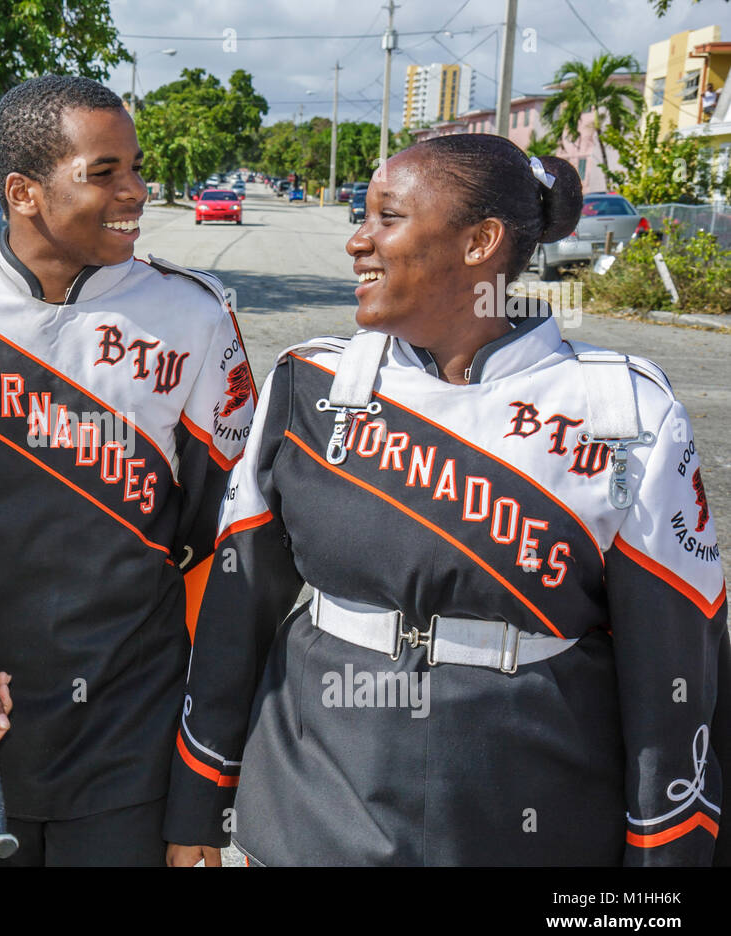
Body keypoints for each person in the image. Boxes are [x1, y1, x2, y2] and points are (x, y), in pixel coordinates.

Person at [164, 134, 728, 866]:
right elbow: (236, 619)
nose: (357, 243)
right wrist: (199, 804)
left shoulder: (622, 409)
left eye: (386, 218)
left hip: (535, 823)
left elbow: (674, 678)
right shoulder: (309, 387)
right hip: (310, 814)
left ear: (481, 243)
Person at [0, 75, 256, 866]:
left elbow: (213, 525)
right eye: (105, 171)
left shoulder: (194, 312)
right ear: (23, 191)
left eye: (137, 168)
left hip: (132, 717)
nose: (136, 192)